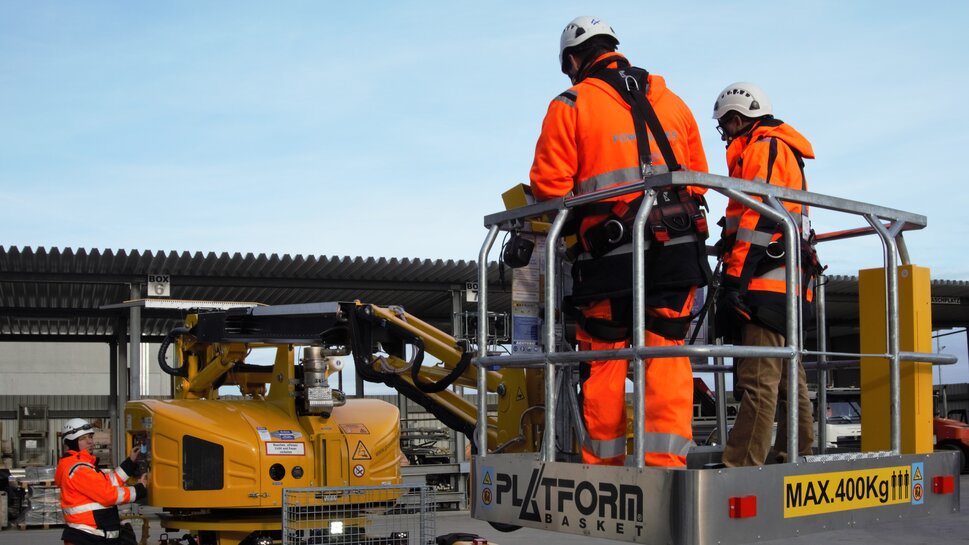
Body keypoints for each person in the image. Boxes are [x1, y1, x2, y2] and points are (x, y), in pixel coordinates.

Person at [529, 16, 709, 467]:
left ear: (573, 59)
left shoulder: (571, 103)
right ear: (614, 48)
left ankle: (603, 470)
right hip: (677, 253)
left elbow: (549, 189)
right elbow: (699, 182)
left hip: (609, 262)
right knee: (666, 354)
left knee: (605, 360)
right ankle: (665, 468)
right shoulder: (675, 103)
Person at [711, 81, 818, 467]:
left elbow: (755, 217)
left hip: (764, 283)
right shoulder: (783, 148)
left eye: (726, 126)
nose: (725, 135)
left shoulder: (763, 148)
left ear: (738, 119)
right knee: (790, 377)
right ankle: (796, 453)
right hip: (788, 284)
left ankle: (741, 465)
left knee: (758, 380)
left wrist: (734, 282)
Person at [55, 418, 148, 545]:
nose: (90, 442)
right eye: (83, 439)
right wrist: (139, 489)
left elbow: (108, 483)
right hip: (89, 537)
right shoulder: (78, 469)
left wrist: (129, 463)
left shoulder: (79, 465)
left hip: (89, 536)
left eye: (90, 437)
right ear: (72, 443)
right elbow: (108, 495)